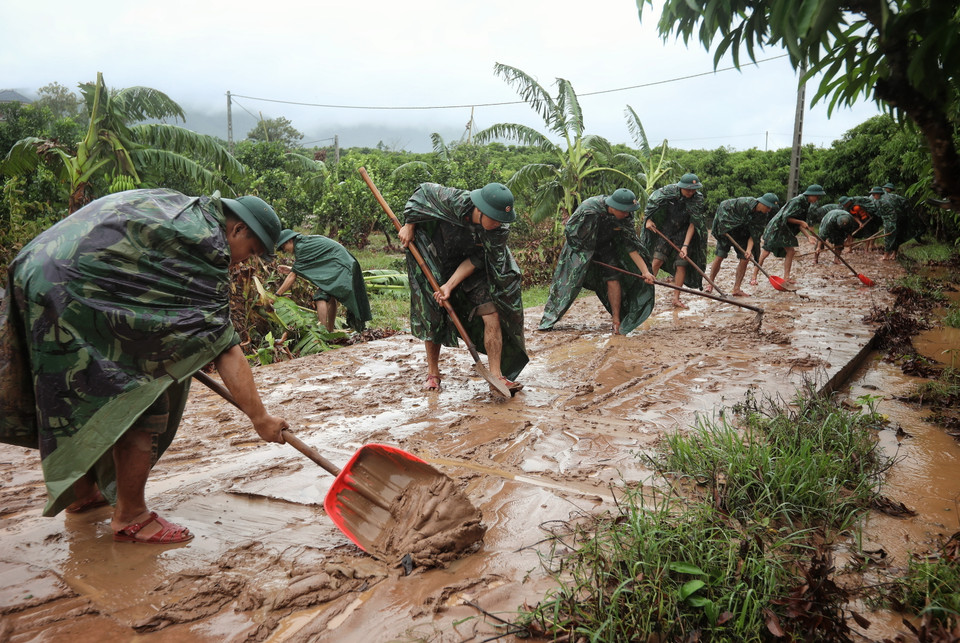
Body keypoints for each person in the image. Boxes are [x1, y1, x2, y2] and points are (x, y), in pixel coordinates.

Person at [0, 189, 289, 544]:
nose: (244, 263)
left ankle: (82, 493)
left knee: (82, 388)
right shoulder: (207, 245)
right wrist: (261, 418)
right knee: (140, 388)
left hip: (38, 268)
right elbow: (225, 348)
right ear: (238, 229)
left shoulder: (187, 210)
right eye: (252, 252)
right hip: (72, 287)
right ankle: (131, 515)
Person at [398, 182, 528, 394]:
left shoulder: (499, 229)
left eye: (502, 219)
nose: (499, 223)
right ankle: (433, 374)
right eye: (494, 218)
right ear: (480, 210)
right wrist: (410, 224)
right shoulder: (454, 201)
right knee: (433, 314)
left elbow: (479, 258)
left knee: (492, 312)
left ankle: (496, 376)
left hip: (472, 267)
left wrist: (449, 285)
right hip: (435, 258)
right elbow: (422, 193)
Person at [539, 189, 656, 335]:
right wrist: (586, 255)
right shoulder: (588, 209)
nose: (627, 214)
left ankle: (616, 320)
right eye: (625, 211)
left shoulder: (625, 216)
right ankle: (548, 319)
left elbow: (630, 246)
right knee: (568, 283)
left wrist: (645, 272)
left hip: (606, 245)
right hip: (579, 248)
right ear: (614, 206)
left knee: (613, 277)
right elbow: (570, 233)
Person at [274, 230, 373, 331]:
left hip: (341, 266)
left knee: (320, 297)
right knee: (330, 296)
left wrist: (277, 295)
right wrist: (292, 269)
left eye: (283, 247)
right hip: (344, 263)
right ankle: (330, 330)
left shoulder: (301, 247)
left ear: (289, 241)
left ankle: (322, 329)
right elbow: (317, 263)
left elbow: (292, 277)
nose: (284, 250)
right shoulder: (304, 242)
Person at [639, 173, 707, 308]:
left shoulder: (698, 199)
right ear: (681, 187)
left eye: (694, 189)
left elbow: (694, 223)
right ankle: (643, 296)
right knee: (657, 260)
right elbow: (650, 206)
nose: (691, 192)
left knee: (682, 264)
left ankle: (676, 298)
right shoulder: (666, 192)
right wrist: (648, 220)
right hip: (666, 229)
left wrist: (685, 245)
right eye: (688, 189)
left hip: (684, 232)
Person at [705, 193, 779, 296]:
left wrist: (748, 250)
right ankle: (710, 284)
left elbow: (755, 234)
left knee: (745, 259)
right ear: (762, 203)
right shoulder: (744, 203)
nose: (769, 210)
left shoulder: (763, 215)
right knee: (720, 256)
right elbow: (723, 205)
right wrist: (723, 226)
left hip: (743, 235)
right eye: (768, 207)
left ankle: (736, 289)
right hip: (727, 231)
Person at [750, 184, 825, 285]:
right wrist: (800, 222)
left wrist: (808, 236)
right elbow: (786, 217)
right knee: (765, 253)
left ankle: (786, 277)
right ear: (811, 195)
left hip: (784, 229)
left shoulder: (806, 203)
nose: (817, 199)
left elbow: (800, 223)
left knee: (791, 251)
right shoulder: (797, 201)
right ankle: (753, 277)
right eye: (817, 196)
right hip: (776, 228)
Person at [873, 186, 915, 261]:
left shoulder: (882, 202)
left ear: (879, 194)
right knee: (897, 237)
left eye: (874, 194)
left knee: (888, 237)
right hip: (901, 218)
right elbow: (904, 201)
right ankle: (894, 254)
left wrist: (889, 225)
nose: (873, 196)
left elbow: (888, 214)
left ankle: (886, 255)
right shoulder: (892, 196)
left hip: (892, 220)